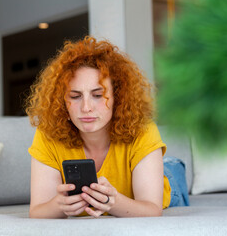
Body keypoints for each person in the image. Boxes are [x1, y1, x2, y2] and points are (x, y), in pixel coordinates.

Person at [26, 36, 189, 218]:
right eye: (75, 96)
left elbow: (152, 209)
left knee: (171, 170)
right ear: (62, 100)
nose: (86, 107)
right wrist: (58, 205)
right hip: (140, 167)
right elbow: (37, 212)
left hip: (169, 182)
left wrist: (114, 203)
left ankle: (172, 165)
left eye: (98, 95)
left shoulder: (143, 129)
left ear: (117, 97)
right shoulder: (48, 134)